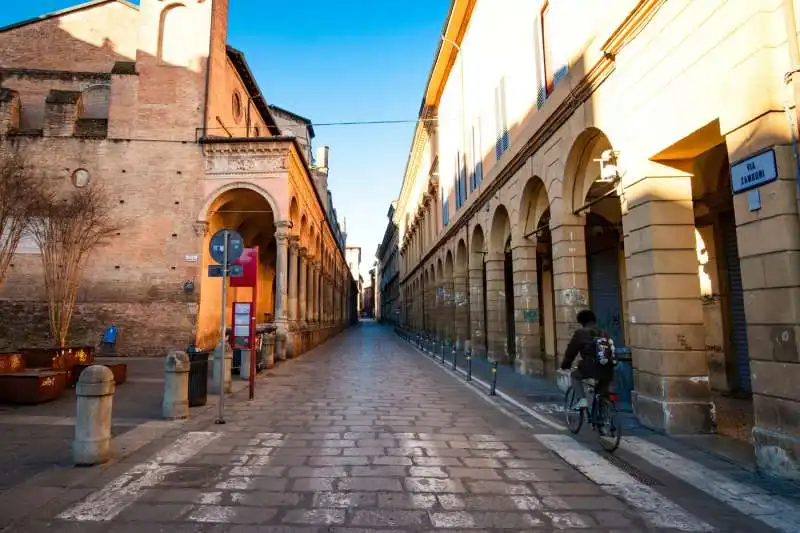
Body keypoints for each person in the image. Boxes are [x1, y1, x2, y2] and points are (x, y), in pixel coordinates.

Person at [560, 309, 615, 410]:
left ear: (581, 322)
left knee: (575, 376)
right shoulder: (604, 332)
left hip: (590, 367)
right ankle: (606, 416)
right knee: (603, 390)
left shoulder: (580, 333)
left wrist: (565, 364)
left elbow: (571, 351)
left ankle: (582, 400)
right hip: (608, 367)